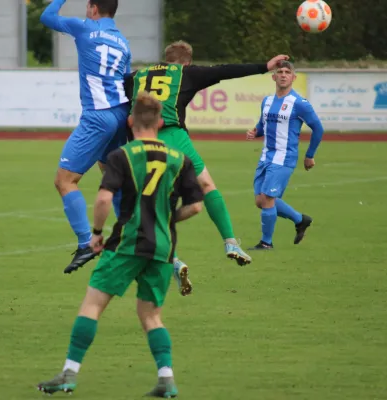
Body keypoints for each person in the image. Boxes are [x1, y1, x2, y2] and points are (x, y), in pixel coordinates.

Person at [37, 91, 204, 398]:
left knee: (92, 305)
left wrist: (97, 233)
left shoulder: (122, 155)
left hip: (126, 243)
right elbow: (195, 206)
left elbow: (103, 199)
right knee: (151, 316)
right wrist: (166, 220)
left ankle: (69, 374)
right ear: (160, 122)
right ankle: (166, 379)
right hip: (163, 248)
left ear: (130, 121)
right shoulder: (179, 159)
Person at [124, 40, 289, 295]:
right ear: (187, 62)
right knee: (207, 185)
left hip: (145, 142)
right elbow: (223, 70)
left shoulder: (136, 76)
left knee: (155, 207)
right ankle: (231, 242)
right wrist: (264, 66)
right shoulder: (186, 73)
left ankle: (174, 260)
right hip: (176, 138)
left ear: (165, 57)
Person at [40, 0, 131, 273]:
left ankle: (85, 243)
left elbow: (47, 16)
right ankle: (133, 234)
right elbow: (126, 80)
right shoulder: (123, 42)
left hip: (97, 117)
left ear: (92, 8)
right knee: (111, 176)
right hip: (120, 115)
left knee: (65, 180)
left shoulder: (84, 27)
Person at [246, 60, 324, 250]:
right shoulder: (267, 101)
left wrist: (309, 155)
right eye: (279, 71)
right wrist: (255, 132)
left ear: (293, 77)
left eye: (287, 72)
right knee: (260, 201)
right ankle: (300, 219)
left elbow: (318, 128)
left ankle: (266, 243)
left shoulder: (299, 103)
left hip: (284, 158)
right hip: (266, 156)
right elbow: (262, 126)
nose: (282, 75)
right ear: (273, 76)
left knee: (267, 198)